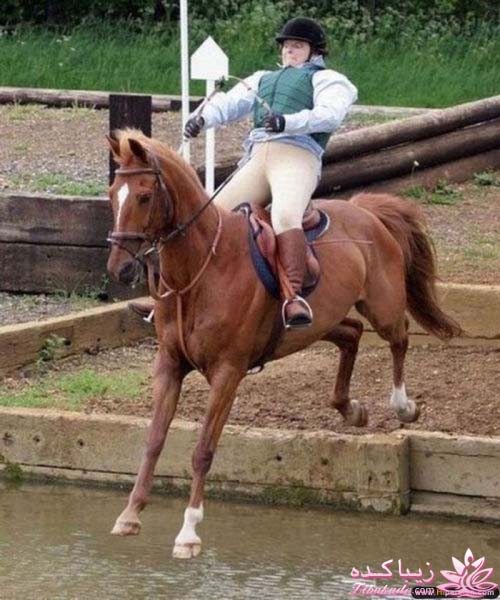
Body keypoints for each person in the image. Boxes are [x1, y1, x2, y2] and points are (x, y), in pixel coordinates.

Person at [131, 17, 357, 329]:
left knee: (284, 215)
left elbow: (330, 115)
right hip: (258, 157)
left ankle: (292, 297)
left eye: (297, 46)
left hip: (297, 156)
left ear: (314, 51)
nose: (289, 51)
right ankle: (169, 296)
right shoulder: (263, 78)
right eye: (286, 46)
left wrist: (287, 122)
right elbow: (229, 103)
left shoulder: (329, 79)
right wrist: (202, 118)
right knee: (206, 218)